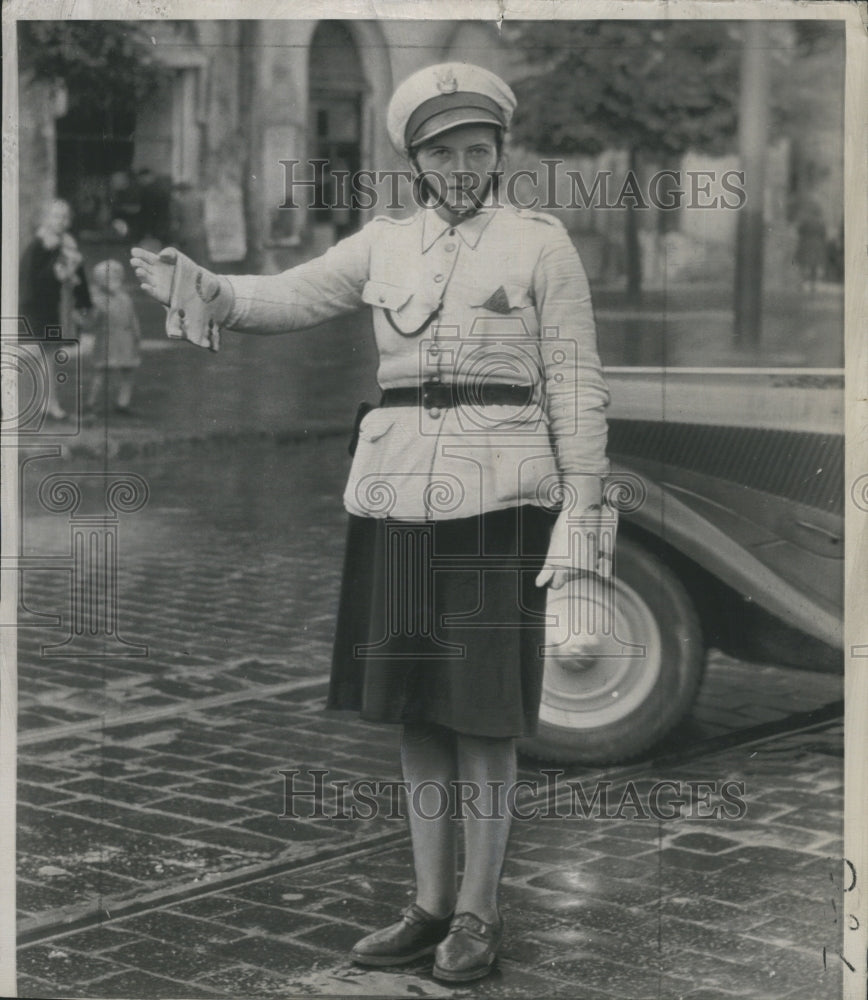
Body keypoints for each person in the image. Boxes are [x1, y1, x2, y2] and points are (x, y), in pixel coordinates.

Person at [131, 62, 614, 983]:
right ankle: (429, 906)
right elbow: (289, 296)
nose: (463, 165)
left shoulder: (541, 245)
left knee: (485, 718)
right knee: (415, 710)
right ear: (417, 161)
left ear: (500, 153)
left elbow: (581, 381)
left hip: (500, 503)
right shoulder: (384, 244)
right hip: (395, 501)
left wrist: (584, 507)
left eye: (479, 149)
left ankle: (480, 914)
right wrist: (199, 284)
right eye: (444, 151)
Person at [19, 198, 92, 420]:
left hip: (60, 307)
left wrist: (84, 302)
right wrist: (58, 272)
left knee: (49, 356)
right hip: (39, 308)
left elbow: (80, 276)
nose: (61, 221)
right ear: (45, 219)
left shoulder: (68, 246)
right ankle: (28, 401)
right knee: (32, 353)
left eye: (65, 216)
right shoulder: (40, 246)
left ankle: (49, 404)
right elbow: (29, 278)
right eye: (56, 216)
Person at [84, 259, 142, 416]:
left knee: (128, 371)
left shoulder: (125, 298)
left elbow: (132, 318)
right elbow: (91, 321)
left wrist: (137, 334)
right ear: (100, 281)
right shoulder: (97, 300)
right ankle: (92, 403)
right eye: (108, 278)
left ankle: (123, 403)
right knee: (102, 372)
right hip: (107, 340)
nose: (113, 281)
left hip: (126, 340)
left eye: (117, 277)